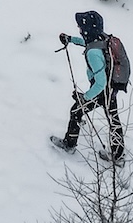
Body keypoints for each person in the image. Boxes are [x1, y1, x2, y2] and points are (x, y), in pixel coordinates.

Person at [52, 10, 122, 158]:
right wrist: (71, 39)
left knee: (76, 111)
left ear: (87, 29)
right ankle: (118, 155)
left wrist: (84, 98)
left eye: (81, 27)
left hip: (102, 91)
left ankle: (69, 144)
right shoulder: (101, 39)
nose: (79, 28)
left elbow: (100, 83)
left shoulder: (93, 54)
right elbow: (88, 43)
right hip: (112, 87)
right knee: (113, 119)